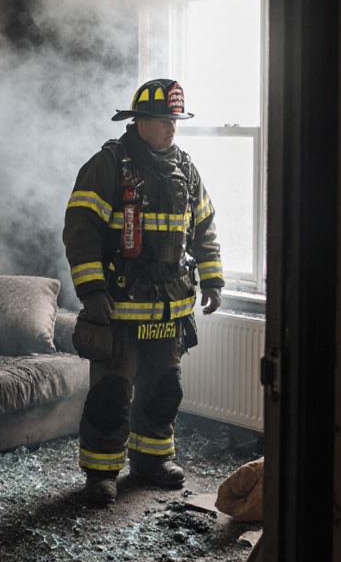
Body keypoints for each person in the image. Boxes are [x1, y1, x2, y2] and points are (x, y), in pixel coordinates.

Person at [63, 78, 224, 506]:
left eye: (176, 120)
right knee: (112, 392)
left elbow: (204, 228)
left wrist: (213, 278)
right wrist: (93, 290)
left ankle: (152, 460)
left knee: (164, 387)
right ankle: (101, 471)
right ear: (140, 121)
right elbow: (81, 231)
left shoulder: (186, 170)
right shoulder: (109, 165)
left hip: (169, 308)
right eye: (163, 119)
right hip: (120, 307)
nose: (172, 127)